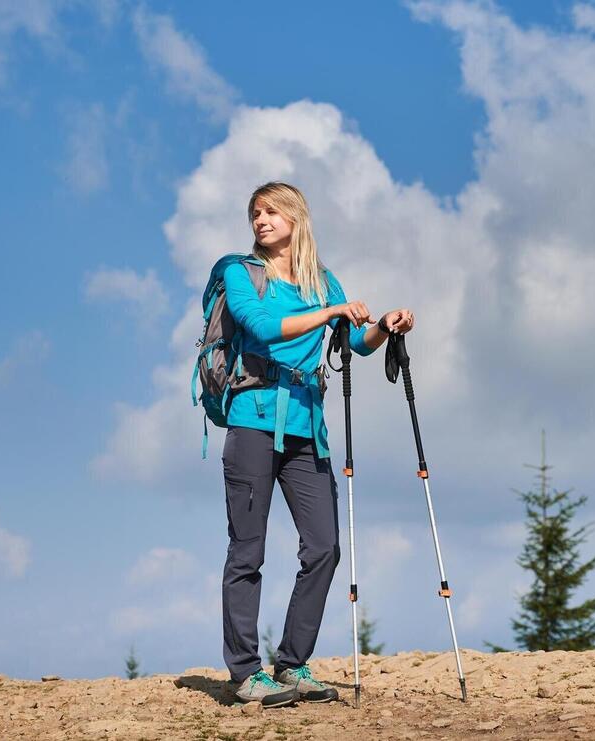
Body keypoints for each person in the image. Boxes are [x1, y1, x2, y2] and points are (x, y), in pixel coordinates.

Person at [219, 181, 414, 707]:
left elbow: (356, 342)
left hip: (308, 430)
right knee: (248, 550)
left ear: (295, 218)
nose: (260, 220)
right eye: (255, 213)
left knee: (324, 546)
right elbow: (261, 328)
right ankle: (245, 672)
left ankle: (291, 664)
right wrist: (331, 313)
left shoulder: (321, 280)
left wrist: (383, 328)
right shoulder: (240, 273)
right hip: (253, 421)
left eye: (271, 212)